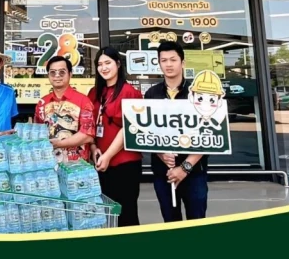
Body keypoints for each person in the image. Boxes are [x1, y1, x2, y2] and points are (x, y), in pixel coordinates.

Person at [144, 40, 209, 221]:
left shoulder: (199, 93)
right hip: (164, 172)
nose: (168, 64)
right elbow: (146, 133)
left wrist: (185, 167)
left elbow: (208, 133)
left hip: (194, 172)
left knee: (197, 220)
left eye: (173, 60)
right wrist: (161, 154)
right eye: (164, 60)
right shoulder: (151, 94)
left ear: (183, 62)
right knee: (170, 220)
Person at [87, 47, 142, 226]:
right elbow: (89, 125)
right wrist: (93, 148)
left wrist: (108, 155)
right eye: (99, 64)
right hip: (101, 162)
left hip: (125, 163)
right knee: (107, 214)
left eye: (108, 63)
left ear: (118, 64)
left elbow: (129, 128)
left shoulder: (129, 92)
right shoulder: (94, 93)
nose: (103, 68)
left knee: (126, 213)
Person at [34, 55, 95, 163]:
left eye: (62, 72)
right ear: (48, 75)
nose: (57, 76)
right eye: (53, 72)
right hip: (49, 164)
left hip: (77, 165)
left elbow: (87, 135)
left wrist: (59, 144)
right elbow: (37, 132)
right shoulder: (42, 103)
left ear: (70, 74)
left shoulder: (83, 101)